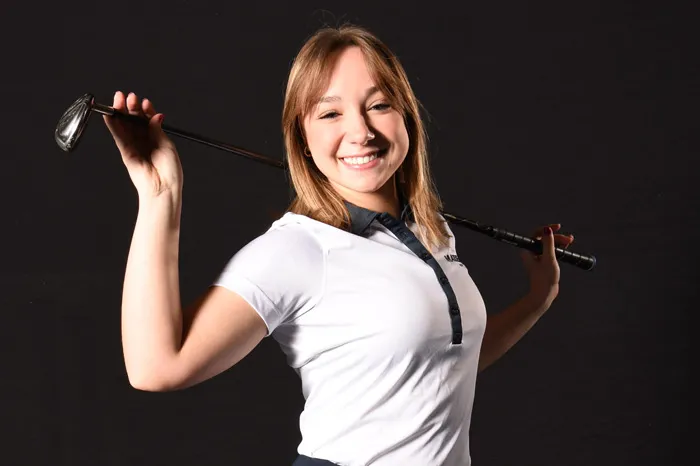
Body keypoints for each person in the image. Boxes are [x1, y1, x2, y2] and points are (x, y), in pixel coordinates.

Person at [103, 24, 574, 466]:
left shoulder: (430, 231)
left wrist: (537, 299)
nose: (361, 132)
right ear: (303, 139)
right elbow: (155, 368)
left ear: (407, 117)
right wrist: (159, 193)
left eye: (379, 105)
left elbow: (441, 365)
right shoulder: (297, 251)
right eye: (330, 113)